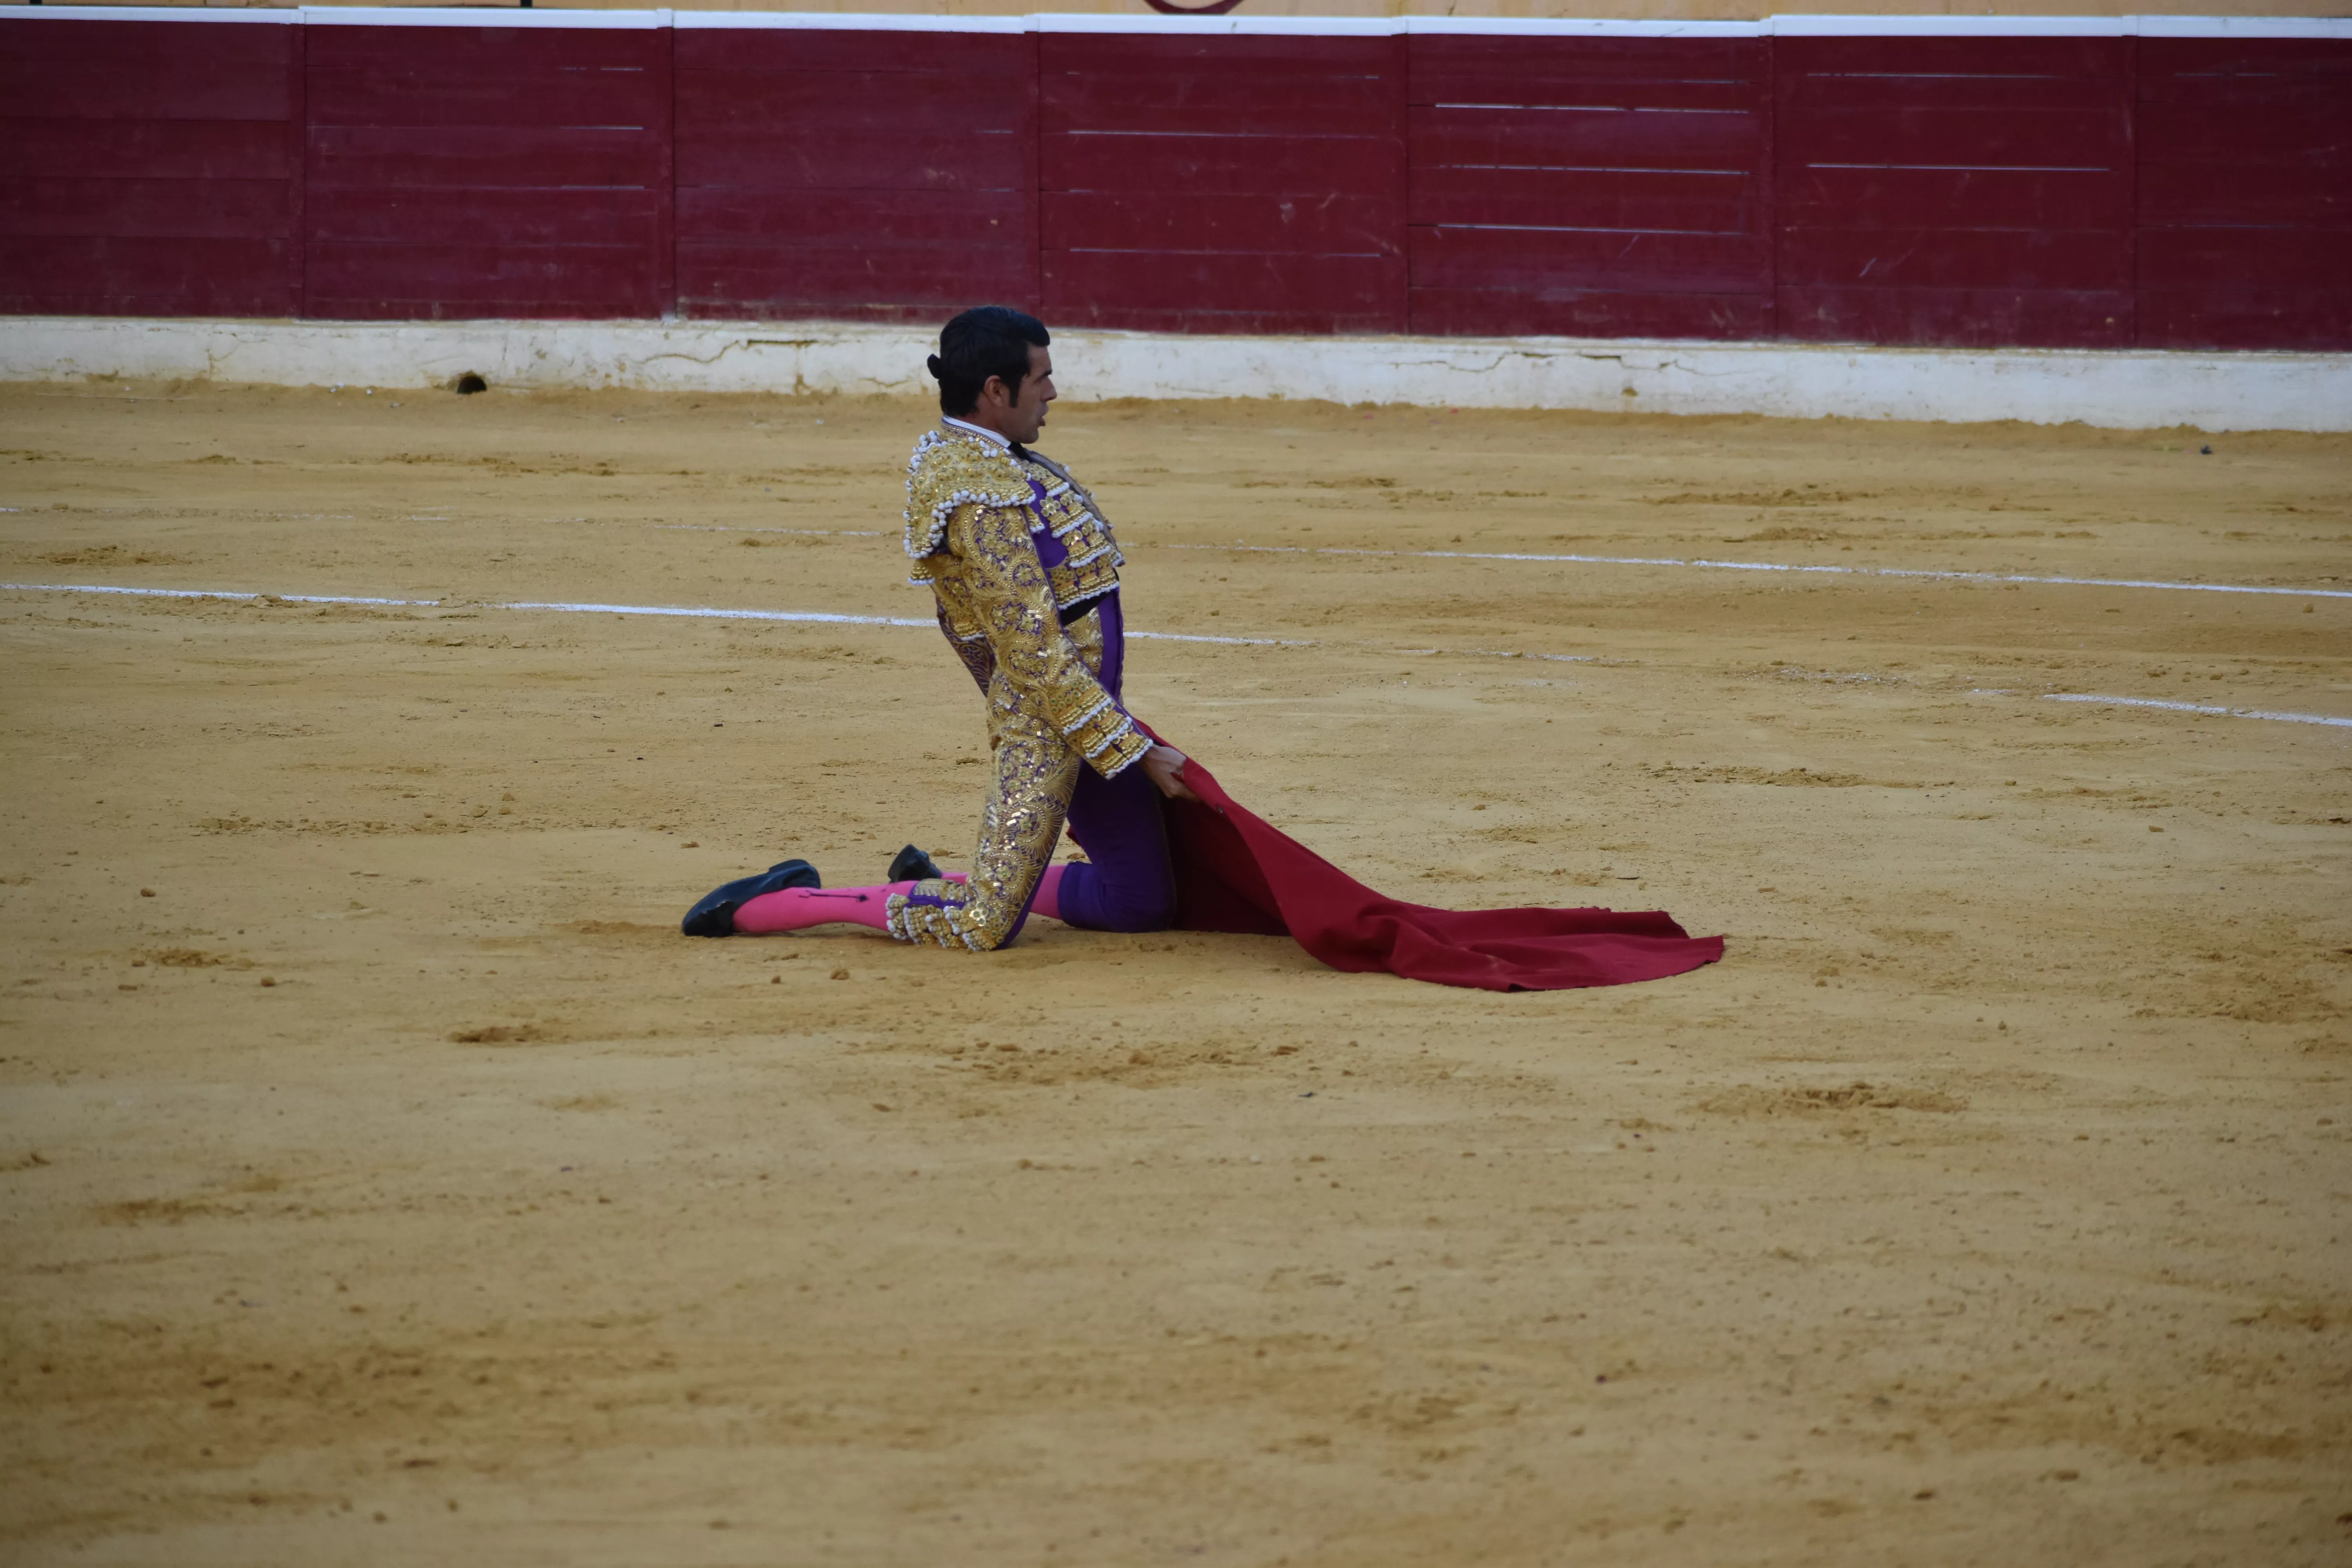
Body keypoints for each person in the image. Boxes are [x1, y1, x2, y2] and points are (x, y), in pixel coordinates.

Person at [684, 306, 1194, 949]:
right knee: (983, 925)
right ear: (996, 390)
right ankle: (780, 904)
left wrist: (1109, 731)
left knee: (1138, 901)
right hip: (1047, 723)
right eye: (1041, 378)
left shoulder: (999, 462)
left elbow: (968, 630)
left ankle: (939, 882)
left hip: (1086, 714)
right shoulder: (976, 492)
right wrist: (1130, 749)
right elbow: (1030, 649)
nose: (1053, 392)